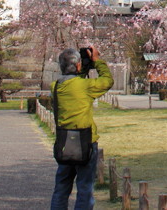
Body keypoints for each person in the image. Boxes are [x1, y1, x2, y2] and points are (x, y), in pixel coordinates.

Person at [50, 46, 113, 210]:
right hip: (85, 142)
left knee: (61, 188)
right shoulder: (86, 86)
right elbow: (107, 80)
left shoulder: (55, 87)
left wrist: (82, 66)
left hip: (64, 143)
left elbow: (74, 81)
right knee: (84, 188)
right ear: (78, 66)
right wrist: (97, 62)